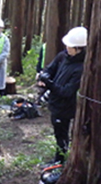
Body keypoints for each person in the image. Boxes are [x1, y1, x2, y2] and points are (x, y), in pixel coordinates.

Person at [37, 27, 87, 163]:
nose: (67, 47)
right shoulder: (63, 56)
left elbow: (67, 91)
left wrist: (50, 84)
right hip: (55, 103)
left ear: (78, 49)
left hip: (65, 107)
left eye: (70, 46)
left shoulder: (80, 68)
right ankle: (60, 158)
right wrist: (45, 76)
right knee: (58, 132)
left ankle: (60, 160)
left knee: (62, 134)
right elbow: (50, 68)